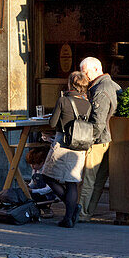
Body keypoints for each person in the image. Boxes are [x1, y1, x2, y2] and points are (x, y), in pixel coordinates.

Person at [39, 71, 91, 228]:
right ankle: (69, 216)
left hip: (63, 144)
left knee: (47, 176)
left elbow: (53, 123)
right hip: (80, 145)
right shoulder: (87, 104)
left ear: (70, 84)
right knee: (72, 183)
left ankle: (72, 210)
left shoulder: (63, 100)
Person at [79, 56, 120, 223]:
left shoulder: (100, 89)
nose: (84, 76)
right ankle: (86, 213)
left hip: (99, 141)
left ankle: (80, 213)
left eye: (86, 72)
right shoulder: (113, 85)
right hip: (109, 139)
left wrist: (89, 141)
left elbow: (98, 121)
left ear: (96, 69)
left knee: (88, 180)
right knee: (98, 180)